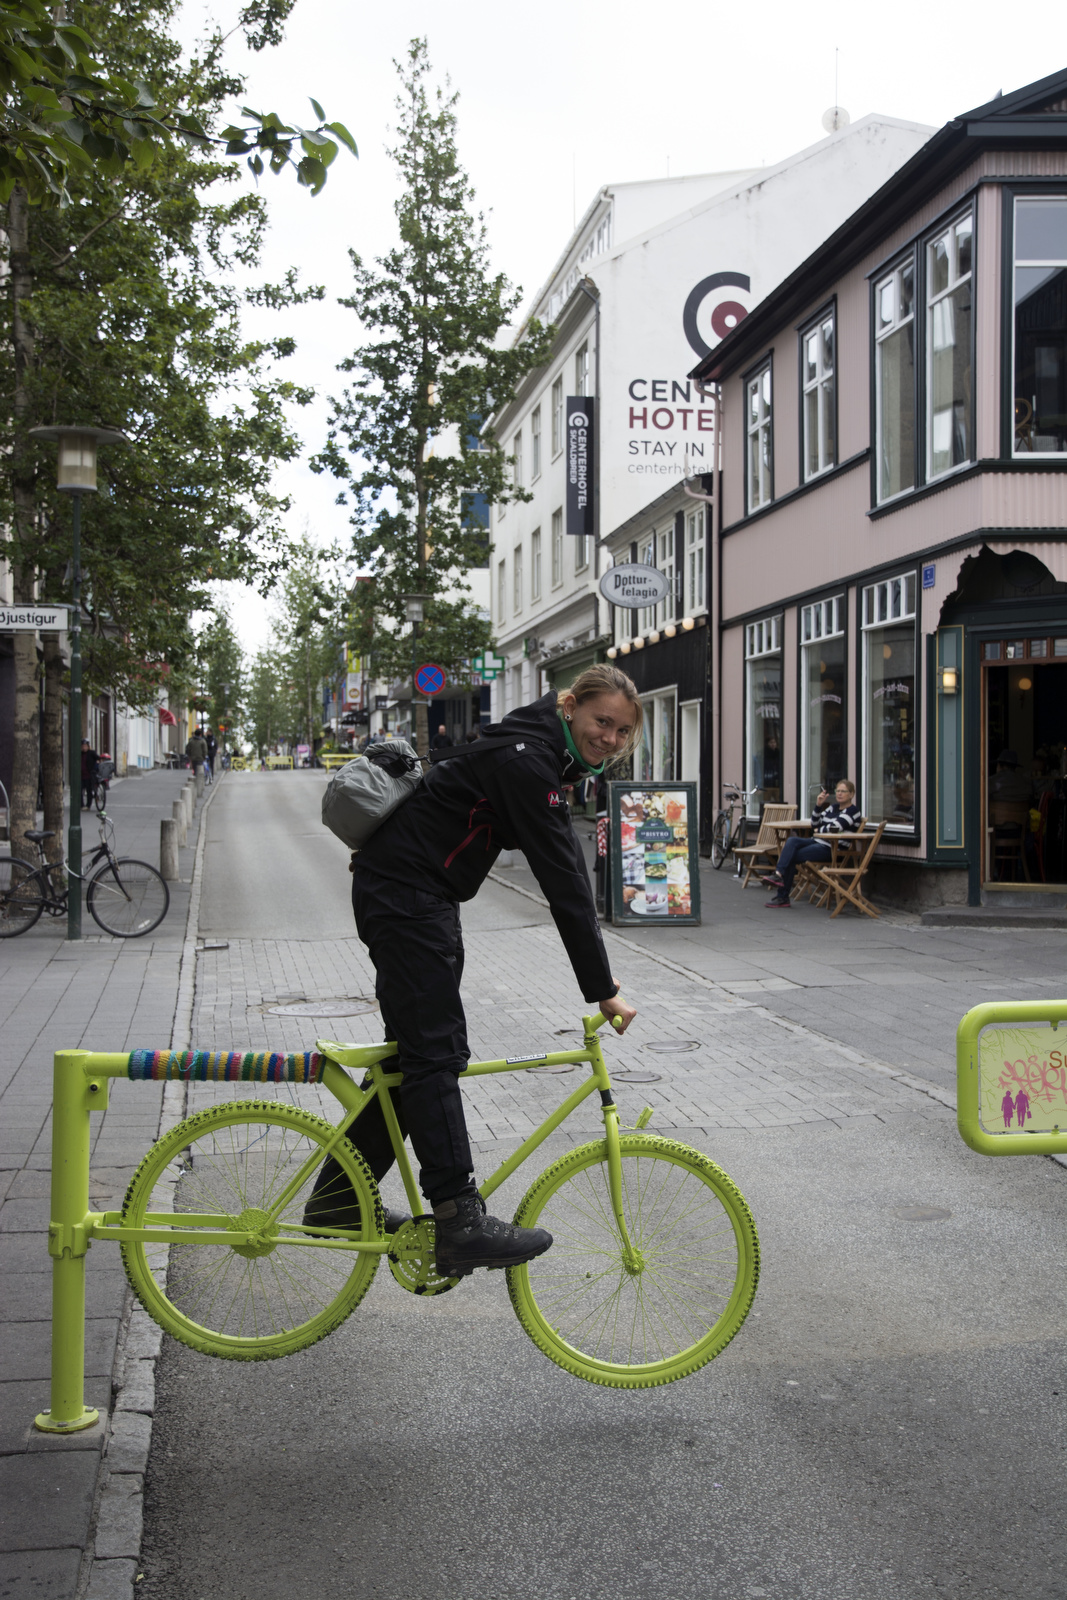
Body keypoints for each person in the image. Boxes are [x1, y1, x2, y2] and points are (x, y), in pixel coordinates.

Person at [305, 664, 641, 1277]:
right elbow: (564, 881)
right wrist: (602, 990)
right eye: (602, 721)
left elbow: (560, 860)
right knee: (435, 1054)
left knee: (415, 1059)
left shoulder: (536, 750)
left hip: (413, 896)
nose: (610, 738)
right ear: (570, 706)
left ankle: (337, 1202)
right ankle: (458, 1219)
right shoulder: (528, 762)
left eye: (622, 731)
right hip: (408, 898)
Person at [761, 780, 862, 908]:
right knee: (792, 841)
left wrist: (819, 830)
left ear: (851, 794)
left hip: (832, 849)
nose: (839, 794)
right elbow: (814, 824)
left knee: (791, 855)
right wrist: (818, 805)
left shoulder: (853, 811)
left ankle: (782, 896)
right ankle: (778, 875)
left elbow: (834, 828)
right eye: (838, 791)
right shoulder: (833, 808)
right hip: (818, 841)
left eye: (843, 791)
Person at [80, 739, 98, 810]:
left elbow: (98, 758)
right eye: (83, 746)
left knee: (89, 791)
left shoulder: (91, 753)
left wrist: (98, 762)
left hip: (89, 775)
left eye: (85, 746)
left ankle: (88, 805)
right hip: (81, 775)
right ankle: (81, 805)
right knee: (80, 791)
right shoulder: (80, 753)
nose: (84, 748)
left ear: (88, 746)